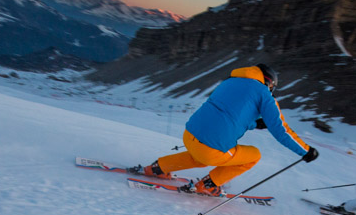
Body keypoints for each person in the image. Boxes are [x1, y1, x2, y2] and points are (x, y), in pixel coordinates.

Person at [136, 63, 319, 195]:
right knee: (253, 155)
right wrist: (306, 151)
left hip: (189, 135)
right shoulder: (264, 94)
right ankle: (208, 185)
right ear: (269, 83)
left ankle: (157, 168)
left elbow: (228, 113)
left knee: (200, 156)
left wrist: (255, 124)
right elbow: (281, 131)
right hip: (210, 149)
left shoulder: (230, 82)